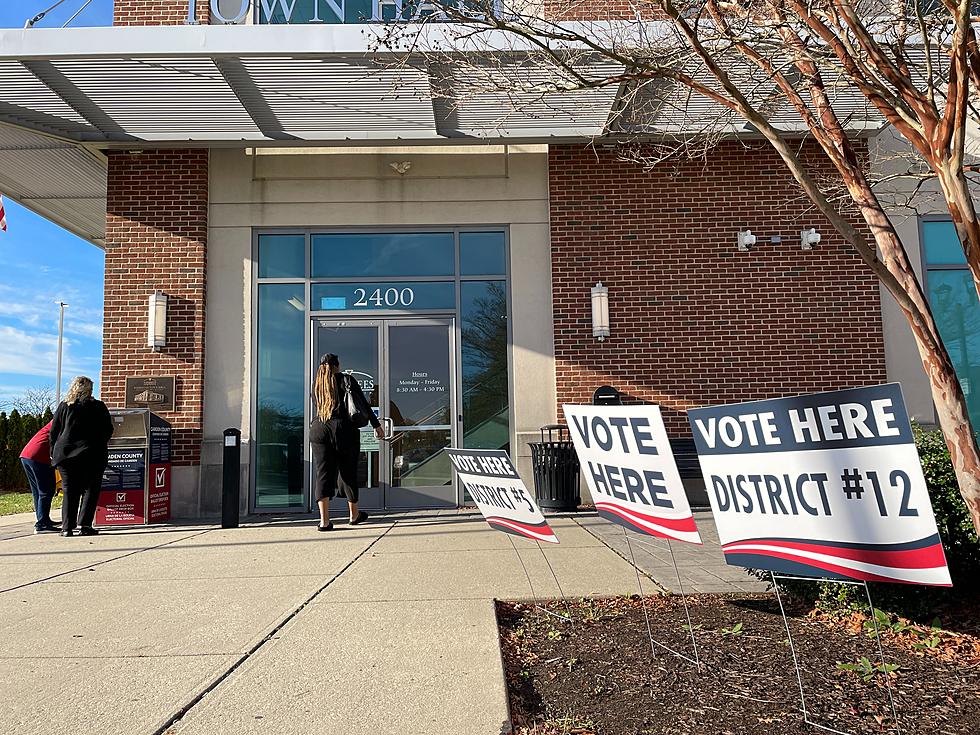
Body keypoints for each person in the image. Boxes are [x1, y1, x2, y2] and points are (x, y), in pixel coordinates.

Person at [310, 353, 385, 532]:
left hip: (319, 428)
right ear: (337, 365)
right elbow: (363, 405)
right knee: (348, 470)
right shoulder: (346, 380)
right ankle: (353, 515)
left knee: (323, 473)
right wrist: (377, 425)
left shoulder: (317, 384)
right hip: (344, 429)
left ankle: (324, 521)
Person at [49, 376, 114, 537]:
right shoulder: (98, 406)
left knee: (69, 490)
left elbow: (54, 431)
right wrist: (99, 443)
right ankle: (85, 525)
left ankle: (67, 528)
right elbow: (108, 429)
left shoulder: (64, 406)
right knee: (90, 490)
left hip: (65, 455)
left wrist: (53, 452)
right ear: (90, 389)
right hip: (92, 453)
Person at [19, 421, 58, 534]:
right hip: (38, 456)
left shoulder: (56, 420)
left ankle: (43, 519)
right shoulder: (63, 421)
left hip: (27, 455)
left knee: (37, 491)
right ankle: (41, 524)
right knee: (46, 490)